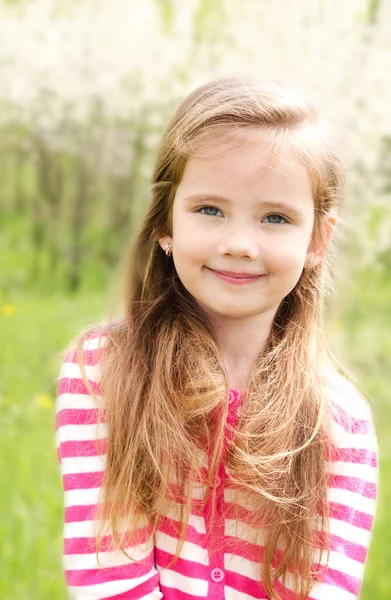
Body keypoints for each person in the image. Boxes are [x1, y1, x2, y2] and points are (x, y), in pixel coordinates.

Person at [55, 78, 378, 600]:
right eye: (210, 209)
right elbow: (108, 573)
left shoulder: (339, 424)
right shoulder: (104, 371)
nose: (240, 244)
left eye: (275, 217)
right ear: (166, 223)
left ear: (318, 239)